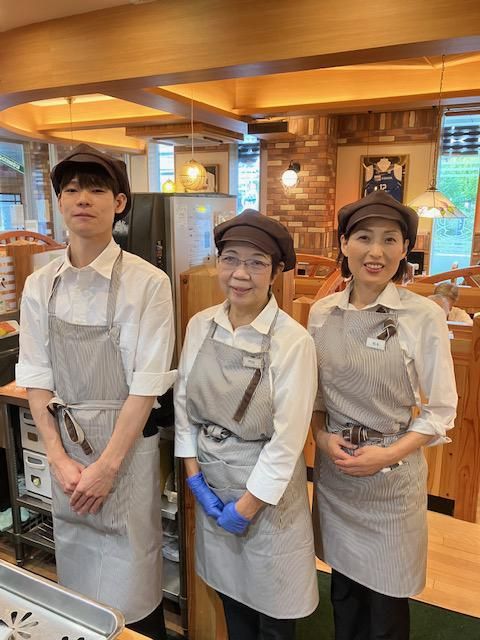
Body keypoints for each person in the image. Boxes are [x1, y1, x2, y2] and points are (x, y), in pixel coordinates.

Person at [16, 144, 176, 640]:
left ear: (119, 203)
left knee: (133, 578)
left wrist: (107, 467)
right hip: (67, 449)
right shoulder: (40, 284)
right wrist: (58, 459)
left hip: (123, 451)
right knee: (79, 578)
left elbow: (146, 386)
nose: (82, 199)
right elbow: (37, 378)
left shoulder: (149, 284)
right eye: (71, 190)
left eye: (96, 189)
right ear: (60, 202)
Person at [308, 190, 457, 640]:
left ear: (405, 248)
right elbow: (315, 399)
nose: (376, 251)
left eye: (390, 239)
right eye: (364, 238)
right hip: (338, 474)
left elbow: (441, 411)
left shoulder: (423, 315)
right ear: (344, 244)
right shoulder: (321, 312)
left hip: (392, 478)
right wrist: (321, 439)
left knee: (387, 604)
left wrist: (386, 454)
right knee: (345, 592)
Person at [175, 210, 319, 640]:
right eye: (230, 259)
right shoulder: (201, 325)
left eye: (256, 263)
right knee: (232, 602)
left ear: (275, 272)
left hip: (267, 498)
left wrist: (247, 506)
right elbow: (184, 406)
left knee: (274, 614)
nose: (240, 274)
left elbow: (288, 440)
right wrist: (195, 480)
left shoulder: (293, 341)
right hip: (212, 484)